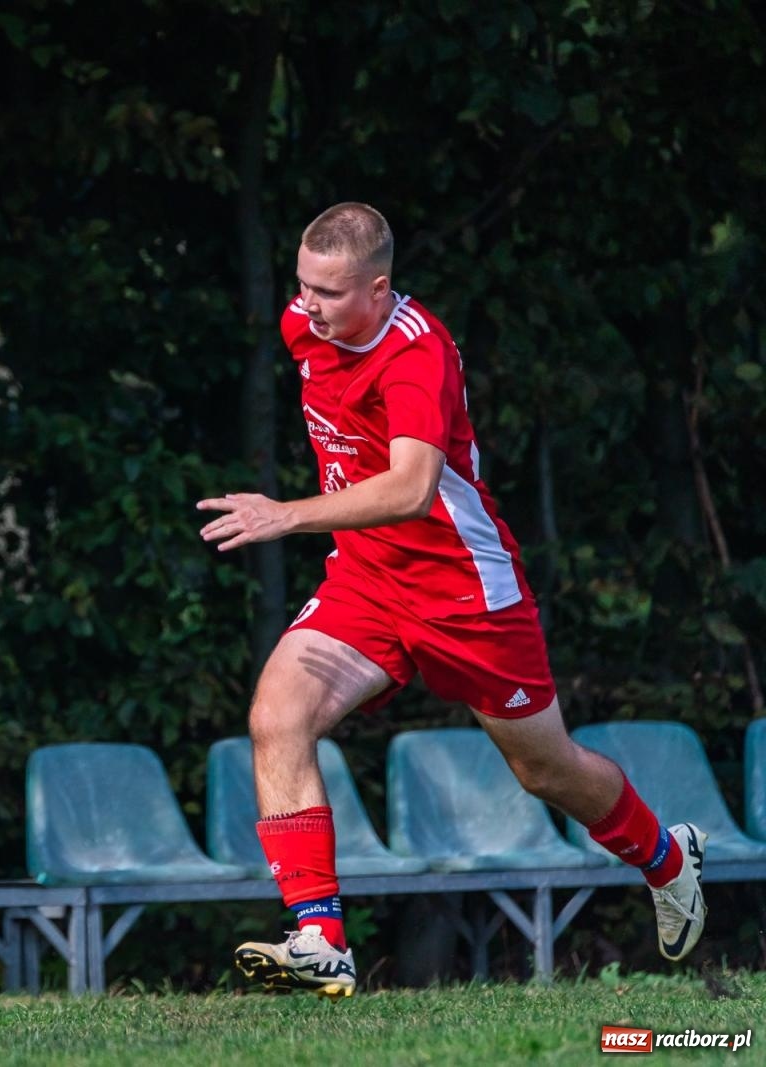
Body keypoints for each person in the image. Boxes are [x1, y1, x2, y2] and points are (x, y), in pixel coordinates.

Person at [197, 203, 706, 998]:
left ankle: (668, 859)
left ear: (379, 287)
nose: (308, 306)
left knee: (545, 769)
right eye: (302, 286)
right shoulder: (308, 325)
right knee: (277, 714)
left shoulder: (417, 354)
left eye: (329, 292)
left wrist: (286, 514)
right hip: (366, 580)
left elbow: (410, 487)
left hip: (466, 594)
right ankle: (321, 937)